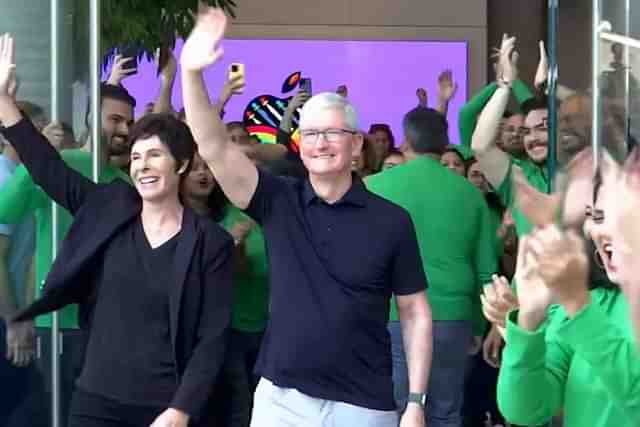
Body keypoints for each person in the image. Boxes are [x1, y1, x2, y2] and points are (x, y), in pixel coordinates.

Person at [180, 9, 432, 427]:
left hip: (363, 405)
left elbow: (415, 312)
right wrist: (191, 74)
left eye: (332, 133)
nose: (320, 143)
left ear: (355, 145)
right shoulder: (279, 200)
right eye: (311, 134)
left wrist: (416, 401)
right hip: (282, 400)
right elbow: (214, 147)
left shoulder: (392, 221)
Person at [0, 33, 234, 427]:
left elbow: (211, 340)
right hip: (95, 399)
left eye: (155, 155)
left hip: (165, 405)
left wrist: (181, 409)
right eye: (137, 157)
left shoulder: (210, 242)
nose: (142, 165)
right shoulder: (110, 206)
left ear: (180, 166)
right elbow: (49, 169)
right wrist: (5, 104)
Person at [0, 82, 135, 426]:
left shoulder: (126, 183)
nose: (124, 130)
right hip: (57, 324)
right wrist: (16, 317)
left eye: (129, 122)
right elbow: (3, 223)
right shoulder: (56, 166)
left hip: (110, 327)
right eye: (115, 119)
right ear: (91, 117)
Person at [481, 154, 640, 427]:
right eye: (593, 215)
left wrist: (577, 302)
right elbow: (527, 410)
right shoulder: (593, 305)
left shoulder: (583, 308)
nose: (592, 228)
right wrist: (528, 321)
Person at [367, 107, 497, 427]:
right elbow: (486, 270)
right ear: (444, 143)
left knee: (397, 411)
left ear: (406, 140)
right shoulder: (469, 193)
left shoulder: (373, 187)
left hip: (392, 316)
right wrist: (482, 326)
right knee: (446, 411)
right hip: (453, 317)